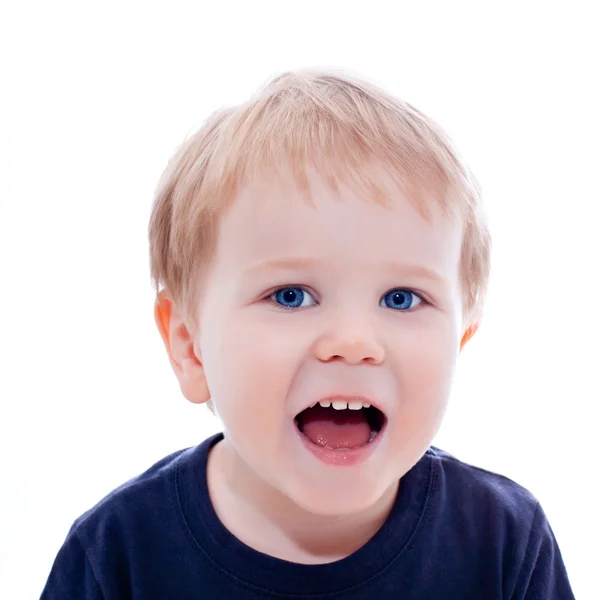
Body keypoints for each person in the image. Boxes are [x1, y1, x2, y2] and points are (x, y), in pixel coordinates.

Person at [40, 69, 576, 599]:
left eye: (401, 298)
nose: (353, 341)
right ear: (190, 346)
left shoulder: (504, 544)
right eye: (290, 295)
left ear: (460, 342)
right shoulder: (118, 556)